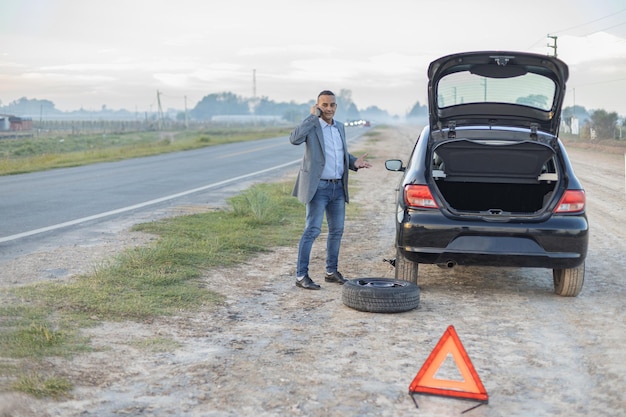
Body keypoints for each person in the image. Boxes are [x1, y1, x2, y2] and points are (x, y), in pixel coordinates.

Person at [289, 90, 371, 290]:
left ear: (336, 106)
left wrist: (354, 162)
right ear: (318, 106)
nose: (329, 108)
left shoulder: (340, 128)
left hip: (337, 188)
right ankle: (301, 275)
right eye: (324, 105)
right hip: (318, 187)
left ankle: (331, 271)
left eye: (332, 105)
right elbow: (294, 139)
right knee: (312, 231)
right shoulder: (313, 126)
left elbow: (340, 153)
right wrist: (311, 116)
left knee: (337, 231)